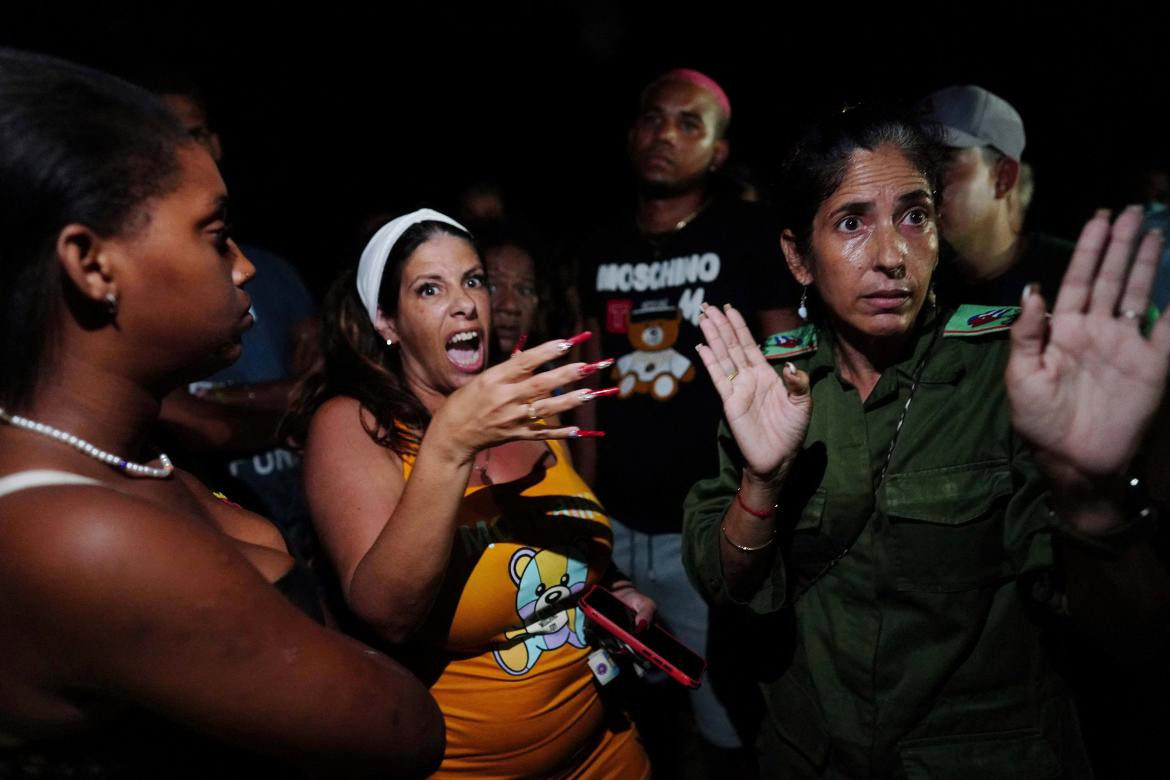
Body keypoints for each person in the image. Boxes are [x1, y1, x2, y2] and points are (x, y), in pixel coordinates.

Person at [682, 107, 1170, 776]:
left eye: (915, 216)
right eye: (852, 223)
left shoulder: (1013, 374)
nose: (891, 256)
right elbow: (724, 583)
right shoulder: (771, 381)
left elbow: (1132, 634)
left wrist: (1090, 497)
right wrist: (762, 485)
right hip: (811, 757)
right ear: (798, 256)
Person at [0, 50, 443, 776]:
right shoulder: (79, 534)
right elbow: (408, 729)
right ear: (92, 265)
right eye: (213, 233)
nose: (243, 266)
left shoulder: (121, 455)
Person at [289, 208, 653, 778]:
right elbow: (387, 614)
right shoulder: (353, 425)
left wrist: (618, 592)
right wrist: (451, 443)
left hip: (609, 750)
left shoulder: (522, 404)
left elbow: (566, 539)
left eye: (473, 279)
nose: (465, 302)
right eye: (430, 288)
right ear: (387, 320)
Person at [574, 67, 799, 760]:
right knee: (621, 710)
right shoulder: (598, 244)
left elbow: (791, 357)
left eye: (688, 123)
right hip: (613, 525)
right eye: (651, 117)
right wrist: (587, 512)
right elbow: (589, 381)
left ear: (719, 152)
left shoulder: (749, 234)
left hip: (708, 528)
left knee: (726, 720)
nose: (664, 134)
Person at [148, 78, 320, 559]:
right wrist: (299, 408)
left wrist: (221, 400)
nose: (242, 270)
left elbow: (324, 383)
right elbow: (197, 425)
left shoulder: (279, 275)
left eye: (195, 134)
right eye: (166, 135)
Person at [922, 84, 1074, 307]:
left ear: (1004, 177)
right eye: (918, 164)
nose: (923, 183)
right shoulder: (918, 284)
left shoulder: (1073, 277)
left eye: (944, 163)